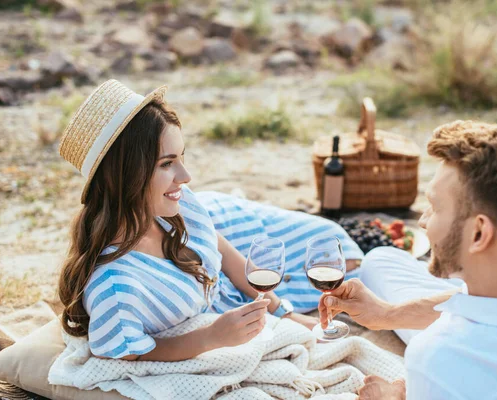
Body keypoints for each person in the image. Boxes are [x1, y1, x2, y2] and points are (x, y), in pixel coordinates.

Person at [57, 79, 362, 362]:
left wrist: (284, 312)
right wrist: (209, 338)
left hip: (221, 219)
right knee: (340, 267)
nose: (186, 177)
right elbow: (130, 353)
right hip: (213, 290)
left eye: (181, 158)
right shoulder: (114, 287)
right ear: (125, 176)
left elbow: (223, 251)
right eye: (167, 163)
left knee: (334, 241)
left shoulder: (179, 203)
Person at [319, 120, 497, 399]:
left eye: (434, 207)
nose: (422, 221)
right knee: (379, 259)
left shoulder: (441, 359)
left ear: (479, 233)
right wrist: (385, 314)